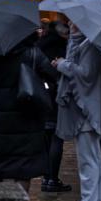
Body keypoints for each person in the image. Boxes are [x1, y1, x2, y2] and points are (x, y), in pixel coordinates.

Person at [0, 32, 58, 193]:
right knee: (23, 170)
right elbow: (52, 75)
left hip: (0, 119)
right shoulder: (33, 52)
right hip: (27, 118)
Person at [52, 22, 101, 201]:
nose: (70, 24)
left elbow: (86, 74)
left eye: (75, 22)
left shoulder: (90, 46)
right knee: (94, 157)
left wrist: (62, 64)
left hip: (86, 111)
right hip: (87, 109)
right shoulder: (83, 44)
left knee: (87, 160)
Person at [36, 20, 72, 192]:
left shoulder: (39, 47)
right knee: (57, 138)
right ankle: (52, 179)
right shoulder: (64, 48)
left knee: (45, 138)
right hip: (57, 96)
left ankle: (45, 178)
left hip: (42, 97)